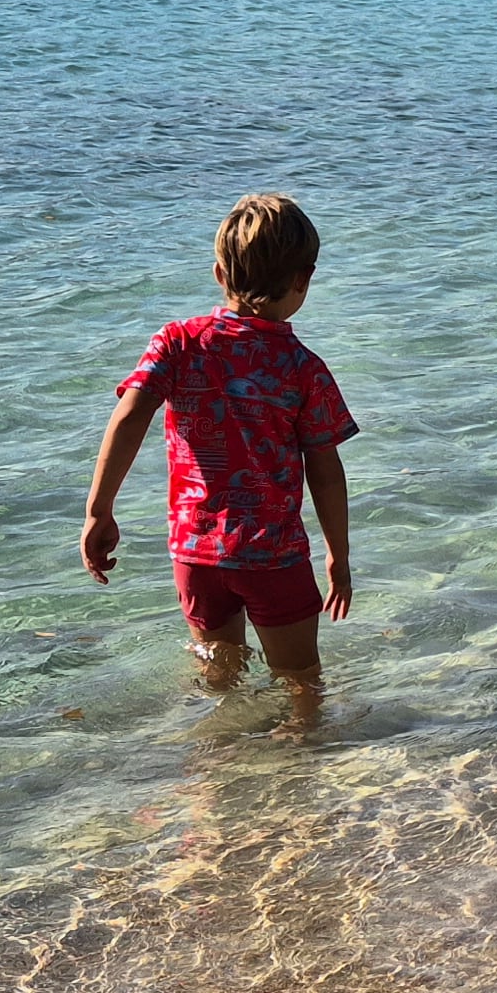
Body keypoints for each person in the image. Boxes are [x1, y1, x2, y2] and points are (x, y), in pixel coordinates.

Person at [81, 193, 360, 733]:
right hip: (273, 556)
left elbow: (129, 416)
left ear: (217, 273)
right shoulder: (304, 369)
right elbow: (325, 470)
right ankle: (302, 773)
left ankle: (220, 771)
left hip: (197, 552)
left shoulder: (178, 343)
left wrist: (99, 511)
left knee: (217, 675)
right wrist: (338, 555)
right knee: (300, 679)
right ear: (303, 281)